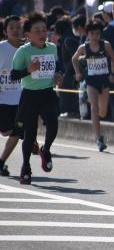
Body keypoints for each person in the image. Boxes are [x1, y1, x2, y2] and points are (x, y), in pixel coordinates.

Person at [11, 12, 63, 185]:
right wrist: (28, 70)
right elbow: (13, 76)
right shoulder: (23, 52)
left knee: (53, 121)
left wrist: (58, 75)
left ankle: (46, 149)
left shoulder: (52, 48)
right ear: (28, 35)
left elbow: (58, 64)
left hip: (47, 92)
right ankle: (25, 167)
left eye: (44, 30)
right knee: (30, 133)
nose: (42, 34)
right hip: (30, 95)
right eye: (37, 30)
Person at [0, 16, 39, 176]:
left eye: (18, 27)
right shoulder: (1, 48)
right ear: (5, 32)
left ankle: (1, 162)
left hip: (21, 98)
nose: (15, 30)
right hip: (2, 98)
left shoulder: (28, 49)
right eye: (11, 28)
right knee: (8, 131)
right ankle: (30, 140)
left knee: (16, 132)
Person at [72, 20, 114, 151]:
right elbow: (74, 59)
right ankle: (98, 138)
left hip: (104, 80)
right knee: (94, 108)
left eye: (97, 33)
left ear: (100, 34)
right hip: (91, 80)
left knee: (102, 112)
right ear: (88, 34)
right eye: (92, 33)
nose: (95, 36)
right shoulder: (83, 48)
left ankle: (99, 127)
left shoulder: (106, 45)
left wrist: (112, 73)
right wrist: (78, 73)